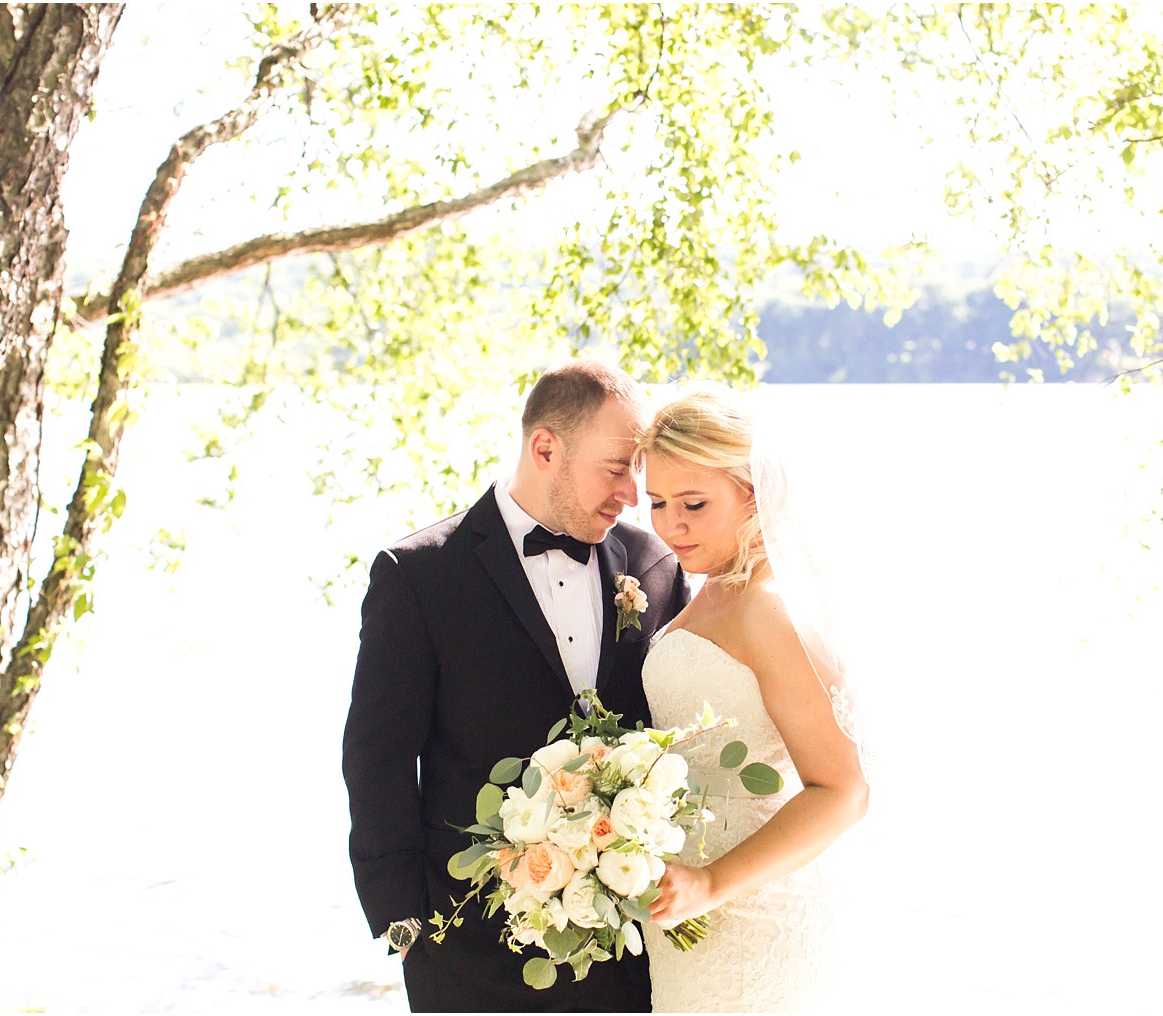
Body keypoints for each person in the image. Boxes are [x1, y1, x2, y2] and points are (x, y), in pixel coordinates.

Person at [343, 360, 692, 1012]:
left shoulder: (655, 567)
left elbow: (677, 745)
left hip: (628, 955)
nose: (633, 494)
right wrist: (403, 930)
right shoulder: (418, 575)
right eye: (618, 468)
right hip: (469, 956)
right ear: (545, 447)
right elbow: (377, 763)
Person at [634, 385, 869, 1012]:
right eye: (655, 502)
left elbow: (843, 790)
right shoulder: (712, 588)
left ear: (753, 490)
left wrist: (712, 883)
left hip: (758, 923)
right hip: (687, 920)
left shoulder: (771, 608)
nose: (669, 524)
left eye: (693, 503)